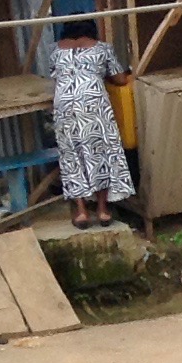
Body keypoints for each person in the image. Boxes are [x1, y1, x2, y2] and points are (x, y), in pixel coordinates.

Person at [48, 18, 133, 229]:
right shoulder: (103, 48)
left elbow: (55, 76)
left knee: (72, 155)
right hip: (94, 104)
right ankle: (103, 211)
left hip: (65, 106)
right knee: (100, 152)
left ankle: (82, 213)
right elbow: (120, 79)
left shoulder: (55, 50)